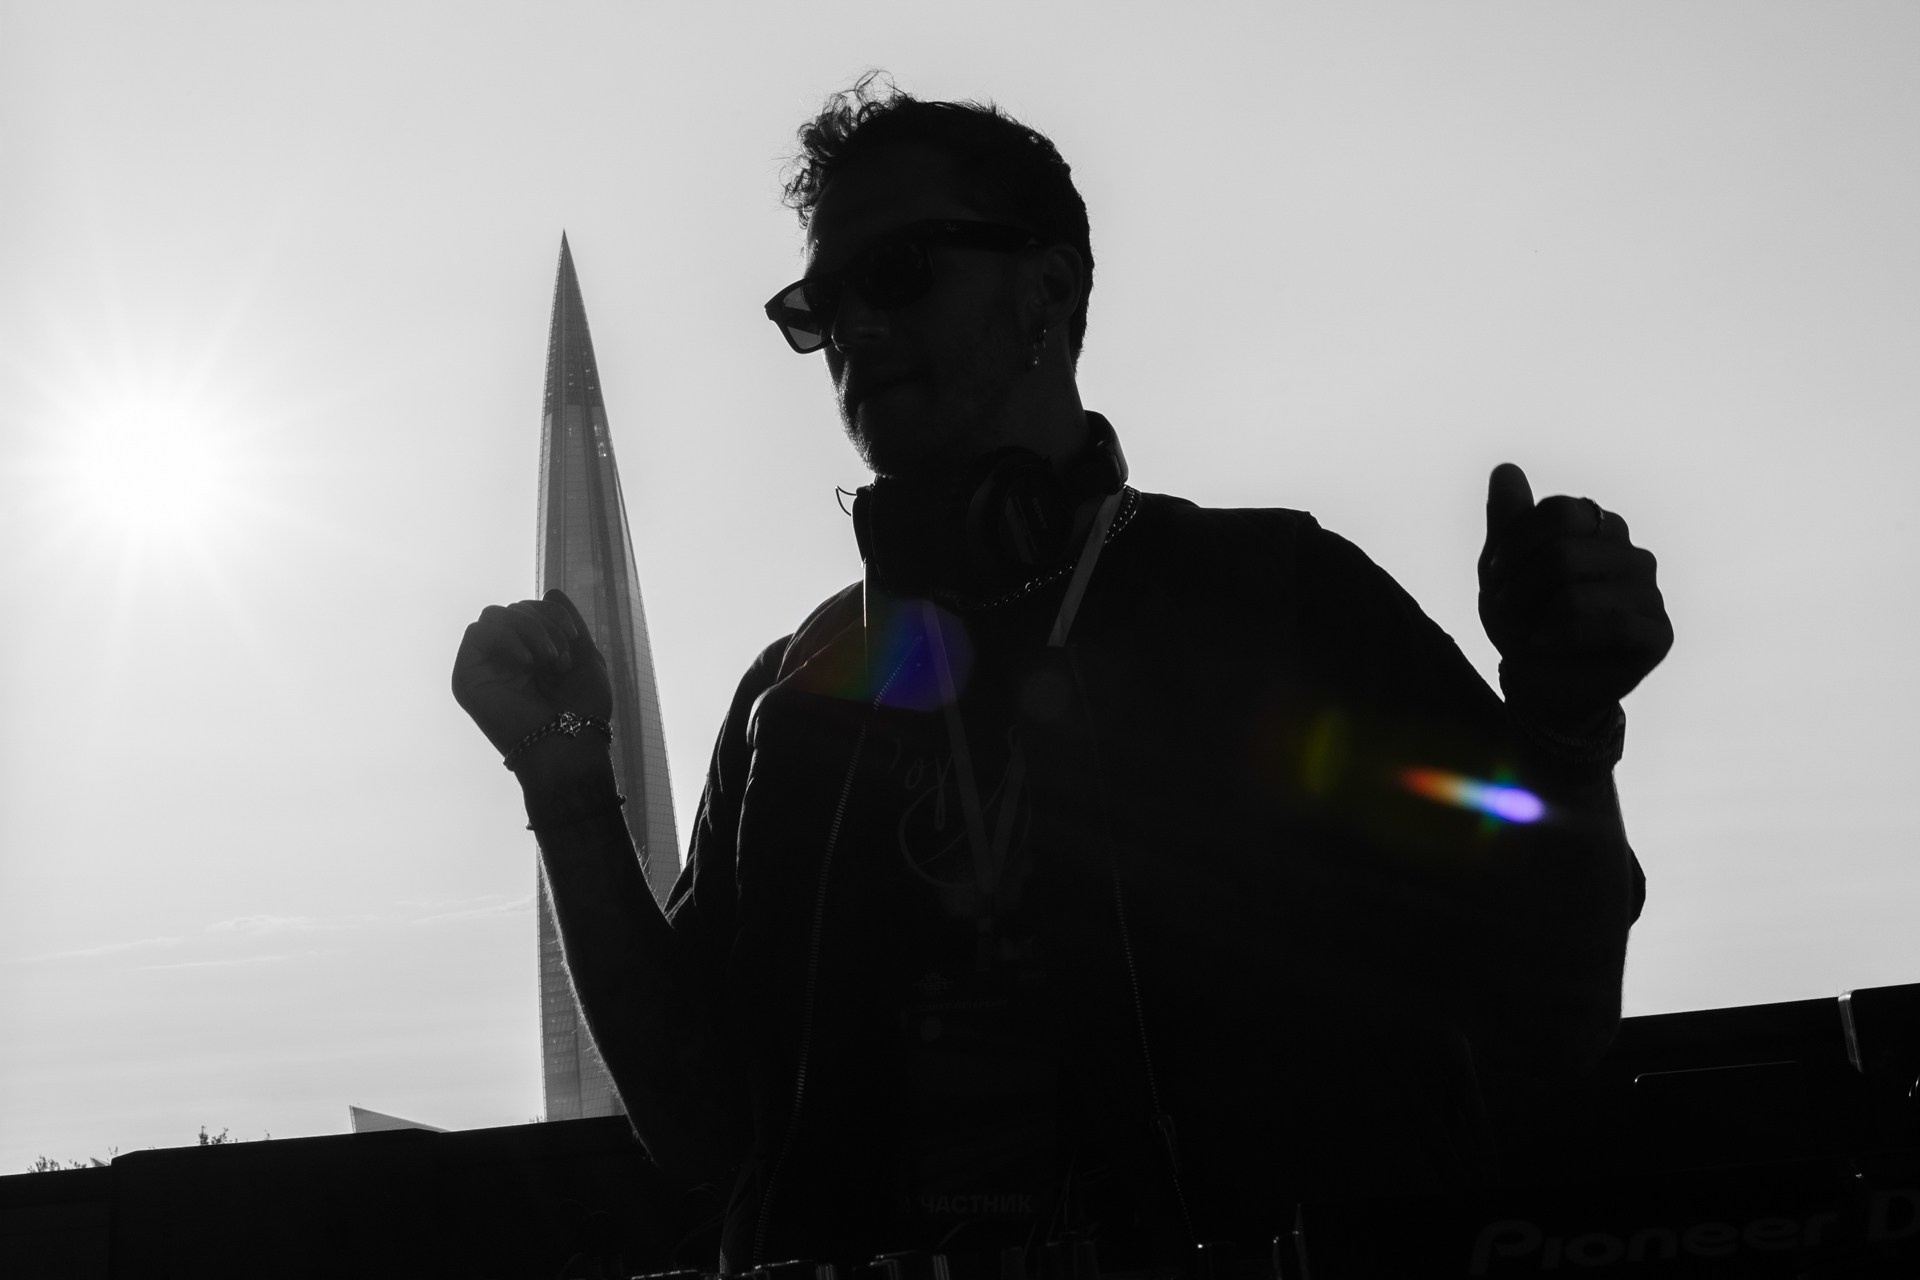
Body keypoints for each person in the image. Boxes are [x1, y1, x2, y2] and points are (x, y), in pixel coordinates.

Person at [452, 78, 1672, 1275]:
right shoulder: (799, 697)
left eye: (900, 272)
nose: (856, 329)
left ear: (1050, 285)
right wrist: (565, 780)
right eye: (822, 304)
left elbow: (1546, 1015)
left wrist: (1563, 720)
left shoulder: (1278, 601)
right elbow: (702, 1126)